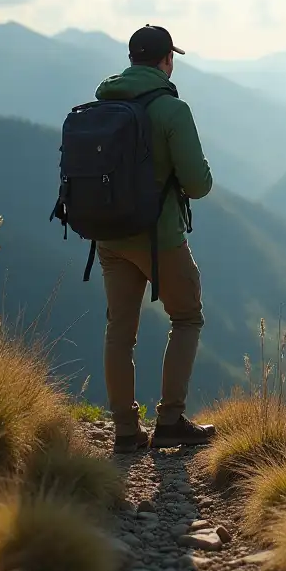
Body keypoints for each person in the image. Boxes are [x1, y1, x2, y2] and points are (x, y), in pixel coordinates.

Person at [93, 24, 217, 453]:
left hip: (108, 234)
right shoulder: (170, 109)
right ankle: (169, 421)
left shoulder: (103, 102)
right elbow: (198, 184)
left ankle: (125, 430)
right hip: (158, 237)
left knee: (119, 331)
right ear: (167, 60)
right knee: (186, 317)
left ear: (131, 59)